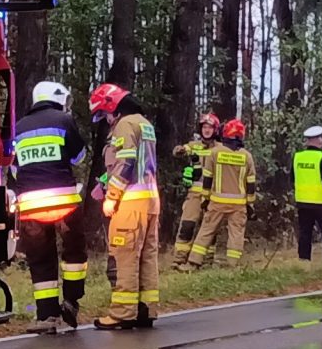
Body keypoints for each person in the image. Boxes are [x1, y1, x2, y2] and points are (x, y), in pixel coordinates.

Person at [11, 81, 88, 331]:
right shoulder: (64, 121)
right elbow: (79, 157)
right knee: (74, 254)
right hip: (64, 203)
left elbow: (13, 168)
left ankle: (46, 316)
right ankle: (71, 301)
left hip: (31, 205)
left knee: (40, 259)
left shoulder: (18, 127)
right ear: (59, 98)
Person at [92, 83, 160, 328]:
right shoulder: (144, 124)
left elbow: (126, 162)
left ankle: (122, 313)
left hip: (129, 202)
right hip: (150, 200)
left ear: (113, 107)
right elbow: (137, 163)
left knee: (125, 256)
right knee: (147, 256)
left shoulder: (124, 124)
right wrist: (104, 182)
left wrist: (112, 195)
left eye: (105, 114)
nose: (106, 120)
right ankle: (146, 309)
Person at [187, 119, 253, 267]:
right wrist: (250, 203)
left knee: (206, 230)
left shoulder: (215, 153)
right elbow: (251, 182)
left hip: (217, 201)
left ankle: (194, 261)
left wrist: (205, 198)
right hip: (239, 204)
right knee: (236, 234)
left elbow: (207, 178)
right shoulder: (247, 156)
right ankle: (233, 265)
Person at [172, 111, 222, 253]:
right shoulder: (194, 145)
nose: (206, 130)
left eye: (210, 127)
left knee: (210, 229)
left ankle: (207, 259)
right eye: (204, 127)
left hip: (213, 195)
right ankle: (180, 258)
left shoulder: (220, 148)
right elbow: (180, 151)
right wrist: (180, 150)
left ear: (215, 130)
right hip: (194, 194)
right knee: (187, 225)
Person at [292, 125, 322, 260]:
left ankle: (303, 259)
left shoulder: (297, 157)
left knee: (304, 233)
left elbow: (292, 178)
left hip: (303, 202)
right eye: (320, 138)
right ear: (318, 140)